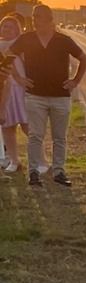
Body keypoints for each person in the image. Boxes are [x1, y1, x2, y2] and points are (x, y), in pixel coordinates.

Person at [12, 3, 86, 187]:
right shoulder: (26, 39)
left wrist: (75, 81)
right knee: (35, 136)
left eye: (38, 16)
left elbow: (84, 59)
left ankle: (59, 171)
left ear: (48, 19)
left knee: (59, 137)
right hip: (35, 96)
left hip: (60, 96)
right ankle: (33, 172)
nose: (34, 19)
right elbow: (7, 55)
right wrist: (18, 78)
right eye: (33, 16)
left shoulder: (63, 40)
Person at [0, 13, 29, 174]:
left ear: (17, 30)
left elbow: (29, 63)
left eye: (11, 27)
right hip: (3, 88)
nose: (7, 29)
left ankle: (39, 159)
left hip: (19, 88)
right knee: (7, 127)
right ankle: (13, 159)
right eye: (5, 26)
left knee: (27, 125)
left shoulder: (21, 44)